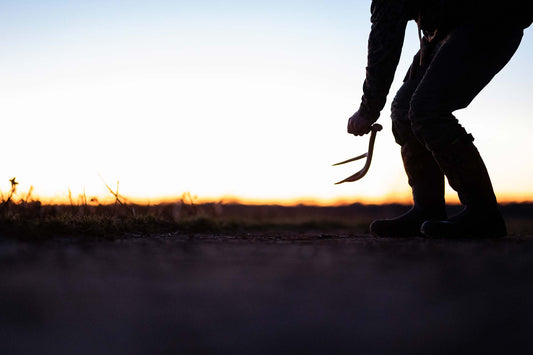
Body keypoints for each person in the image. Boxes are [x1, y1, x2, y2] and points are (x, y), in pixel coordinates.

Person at [348, 1, 532, 238]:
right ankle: (427, 209)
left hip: (490, 18)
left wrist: (368, 109)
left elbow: (385, 37)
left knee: (427, 109)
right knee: (404, 108)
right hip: (445, 31)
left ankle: (483, 214)